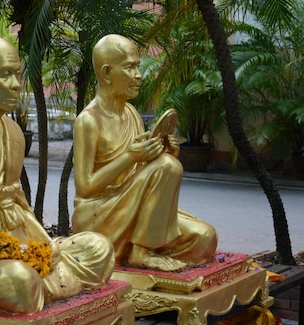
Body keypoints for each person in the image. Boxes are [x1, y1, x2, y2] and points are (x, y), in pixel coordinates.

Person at [0, 35, 114, 314]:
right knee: (21, 283)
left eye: (17, 74)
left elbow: (17, 204)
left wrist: (48, 248)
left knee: (99, 248)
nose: (16, 85)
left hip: (16, 242)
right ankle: (43, 286)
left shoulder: (12, 133)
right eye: (5, 75)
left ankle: (45, 285)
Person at [72, 34, 217, 272]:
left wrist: (160, 150)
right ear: (107, 73)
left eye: (138, 67)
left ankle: (147, 245)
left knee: (205, 238)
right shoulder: (89, 121)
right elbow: (85, 187)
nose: (139, 75)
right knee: (168, 167)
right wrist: (131, 156)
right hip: (100, 213)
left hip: (135, 207)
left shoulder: (130, 113)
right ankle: (141, 252)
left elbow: (143, 175)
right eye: (129, 68)